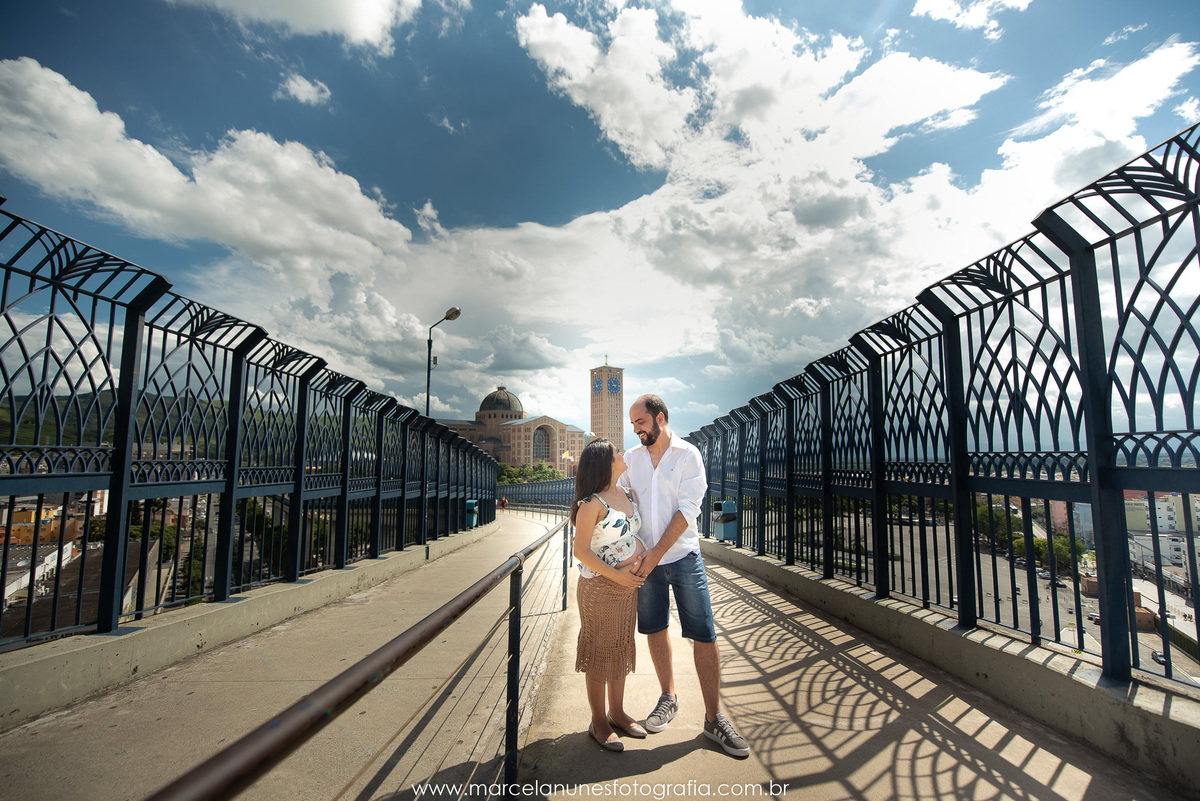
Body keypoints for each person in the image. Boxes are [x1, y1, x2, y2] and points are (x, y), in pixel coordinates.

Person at [619, 394, 750, 757]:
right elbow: (617, 498)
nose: (635, 429)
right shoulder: (632, 458)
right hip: (646, 561)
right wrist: (633, 552)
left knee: (704, 633)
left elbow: (687, 510)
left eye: (640, 422)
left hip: (683, 557)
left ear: (660, 418)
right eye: (632, 424)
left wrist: (654, 554)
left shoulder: (688, 455)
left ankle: (714, 719)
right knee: (655, 628)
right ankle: (668, 697)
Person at [570, 438, 648, 752]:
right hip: (600, 588)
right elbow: (581, 551)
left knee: (618, 647)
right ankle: (599, 721)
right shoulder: (592, 503)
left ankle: (617, 713)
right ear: (605, 462)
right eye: (616, 451)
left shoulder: (626, 493)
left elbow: (633, 534)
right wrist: (618, 575)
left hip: (626, 591)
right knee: (601, 651)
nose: (622, 452)